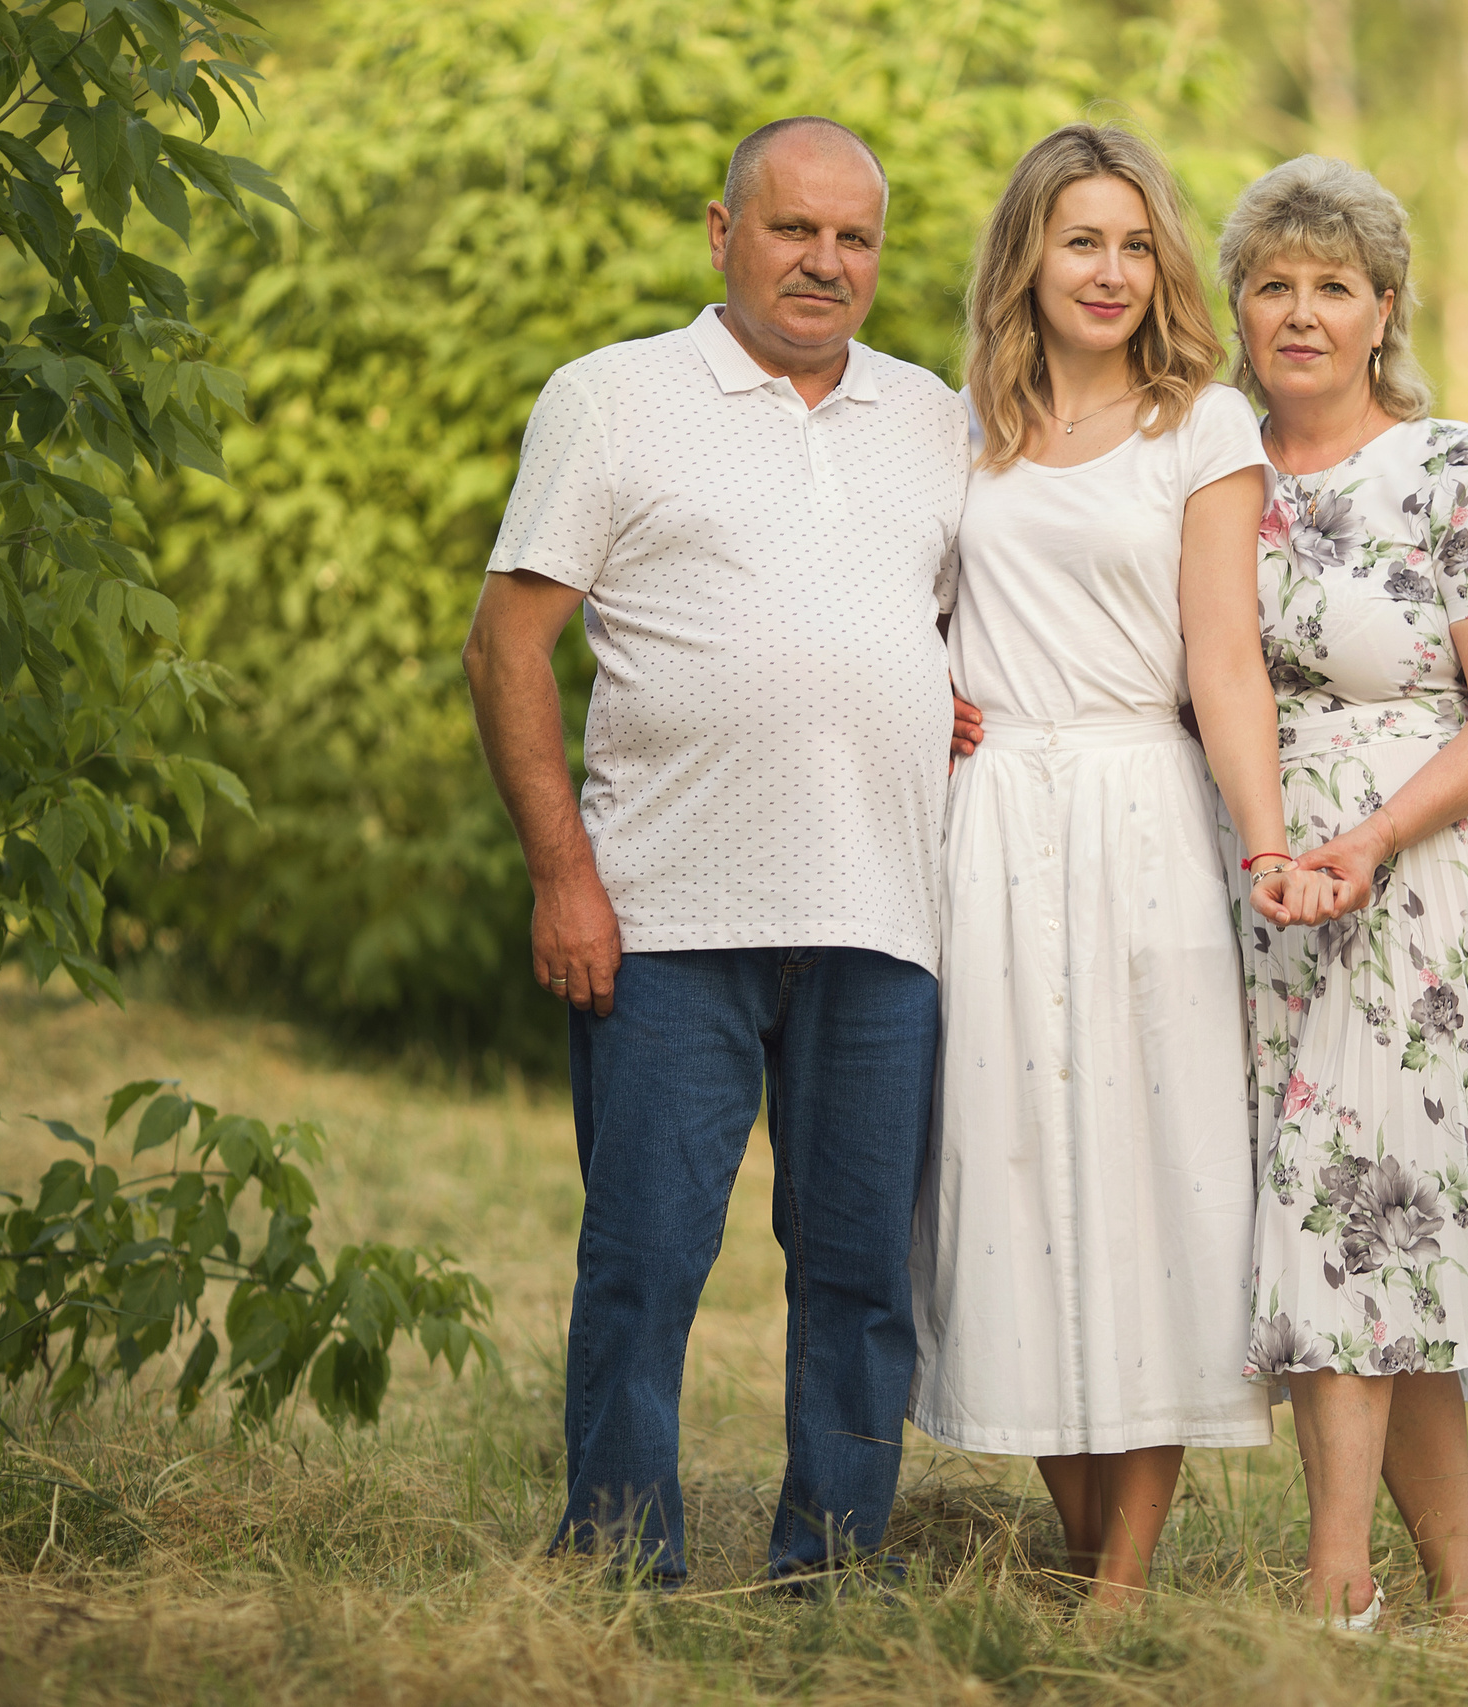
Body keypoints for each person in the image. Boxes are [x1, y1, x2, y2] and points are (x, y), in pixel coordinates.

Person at [462, 116, 971, 1588]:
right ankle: (623, 1559)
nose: (825, 263)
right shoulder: (613, 399)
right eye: (794, 229)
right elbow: (507, 648)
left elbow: (941, 625)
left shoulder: (933, 413)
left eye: (855, 238)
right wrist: (566, 877)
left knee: (865, 1276)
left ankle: (833, 1565)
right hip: (665, 913)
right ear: (722, 230)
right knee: (644, 1262)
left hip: (885, 914)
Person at [907, 124, 1340, 1612]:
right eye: (1079, 239)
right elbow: (905, 602)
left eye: (1135, 242)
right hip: (988, 823)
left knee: (1154, 1180)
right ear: (1026, 253)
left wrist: (1267, 839)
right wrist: (928, 686)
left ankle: (1122, 1589)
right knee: (1006, 1170)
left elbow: (1223, 659)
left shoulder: (1201, 425)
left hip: (1140, 815)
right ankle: (1081, 1542)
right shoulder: (961, 421)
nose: (1108, 270)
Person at [1219, 155, 1468, 1631]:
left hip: (1425, 885)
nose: (1304, 312)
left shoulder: (1449, 464)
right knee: (1383, 1237)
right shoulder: (1214, 470)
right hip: (1267, 886)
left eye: (1336, 285)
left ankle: (1338, 1589)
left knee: (1347, 1203)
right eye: (1276, 283)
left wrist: (1376, 838)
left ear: (1384, 306)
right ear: (1240, 305)